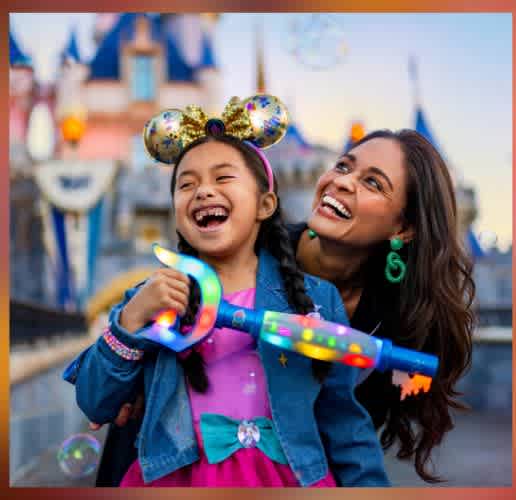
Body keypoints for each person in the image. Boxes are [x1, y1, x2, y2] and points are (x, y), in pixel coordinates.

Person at [90, 128, 476, 485]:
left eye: (372, 182)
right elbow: (116, 370)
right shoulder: (237, 250)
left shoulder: (391, 311)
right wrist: (138, 371)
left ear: (403, 228)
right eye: (343, 166)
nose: (342, 181)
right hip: (169, 456)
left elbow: (346, 425)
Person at [63, 96, 389, 487]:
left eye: (222, 178)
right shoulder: (153, 299)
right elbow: (96, 401)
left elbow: (344, 424)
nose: (203, 191)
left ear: (265, 204)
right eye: (187, 184)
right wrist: (131, 320)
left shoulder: (316, 300)